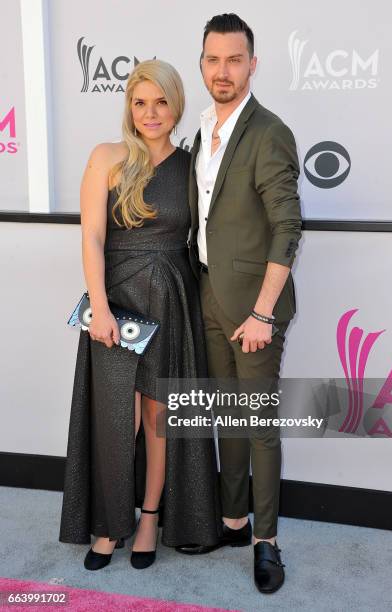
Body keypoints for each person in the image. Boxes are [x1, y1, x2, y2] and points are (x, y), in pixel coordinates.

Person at [59, 59, 222, 571]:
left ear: (176, 104)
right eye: (139, 102)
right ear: (128, 107)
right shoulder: (107, 156)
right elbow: (90, 236)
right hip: (117, 304)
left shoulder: (192, 163)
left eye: (160, 101)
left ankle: (150, 518)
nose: (150, 113)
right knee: (116, 418)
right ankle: (109, 526)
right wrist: (100, 308)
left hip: (173, 299)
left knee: (159, 417)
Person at [176, 14, 302, 595]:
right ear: (202, 64)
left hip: (254, 306)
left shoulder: (269, 131)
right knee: (227, 414)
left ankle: (266, 542)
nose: (222, 71)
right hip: (206, 295)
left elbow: (287, 226)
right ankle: (232, 522)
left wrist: (263, 312)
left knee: (258, 424)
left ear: (253, 64)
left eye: (234, 60)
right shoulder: (202, 130)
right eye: (212, 60)